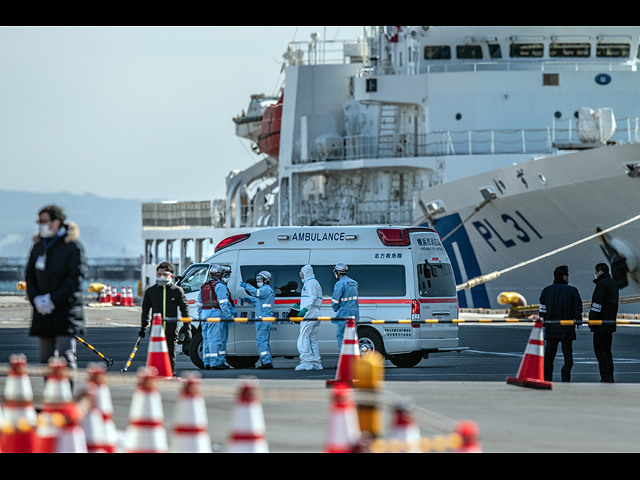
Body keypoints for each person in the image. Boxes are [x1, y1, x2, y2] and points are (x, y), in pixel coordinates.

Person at [25, 205, 87, 389]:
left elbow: (74, 279)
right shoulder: (38, 246)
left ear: (56, 222)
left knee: (66, 355)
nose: (41, 226)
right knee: (46, 360)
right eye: (39, 222)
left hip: (65, 311)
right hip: (43, 312)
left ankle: (67, 395)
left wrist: (53, 300)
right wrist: (36, 299)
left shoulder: (72, 246)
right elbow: (29, 276)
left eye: (44, 221)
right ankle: (50, 396)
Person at [140, 261, 189, 376]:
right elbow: (145, 310)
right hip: (156, 331)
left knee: (171, 354)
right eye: (159, 274)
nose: (161, 277)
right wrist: (143, 326)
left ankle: (170, 374)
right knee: (156, 354)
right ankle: (155, 374)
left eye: (164, 275)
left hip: (171, 329)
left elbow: (184, 310)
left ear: (171, 275)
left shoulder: (177, 291)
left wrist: (187, 327)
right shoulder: (151, 291)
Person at [538, 265, 583, 382]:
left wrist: (542, 325)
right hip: (567, 329)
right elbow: (577, 308)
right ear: (564, 276)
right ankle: (565, 377)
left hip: (551, 328)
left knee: (549, 357)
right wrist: (579, 322)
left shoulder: (546, 291)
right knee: (568, 357)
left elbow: (542, 310)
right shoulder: (573, 291)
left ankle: (547, 378)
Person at [197, 264, 236, 370]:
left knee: (206, 340)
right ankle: (215, 363)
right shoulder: (220, 286)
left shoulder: (204, 286)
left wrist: (201, 317)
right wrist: (229, 316)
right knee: (216, 340)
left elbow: (199, 304)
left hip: (205, 315)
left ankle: (207, 362)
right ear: (220, 274)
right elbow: (223, 304)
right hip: (215, 315)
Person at [589, 263, 619, 383]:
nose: (596, 274)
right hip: (610, 322)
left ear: (600, 272)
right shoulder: (613, 283)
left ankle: (605, 377)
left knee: (599, 350)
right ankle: (610, 375)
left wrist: (592, 320)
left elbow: (597, 305)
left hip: (600, 323)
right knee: (607, 351)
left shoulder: (601, 284)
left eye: (596, 272)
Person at [240, 270, 275, 369]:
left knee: (261, 341)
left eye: (260, 279)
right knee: (264, 341)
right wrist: (249, 300)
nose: (258, 281)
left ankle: (266, 363)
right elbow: (258, 303)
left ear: (265, 280)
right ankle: (267, 362)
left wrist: (247, 286)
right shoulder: (266, 291)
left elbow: (256, 293)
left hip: (263, 320)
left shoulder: (266, 289)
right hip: (264, 320)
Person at [295, 265, 323, 371]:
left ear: (305, 273)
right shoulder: (314, 282)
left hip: (310, 313)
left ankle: (306, 362)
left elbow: (313, 297)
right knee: (312, 339)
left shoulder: (310, 283)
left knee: (304, 337)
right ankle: (316, 362)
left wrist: (305, 308)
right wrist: (300, 304)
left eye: (301, 273)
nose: (301, 275)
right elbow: (312, 297)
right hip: (316, 312)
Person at [331, 263, 359, 350]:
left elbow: (335, 301)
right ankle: (353, 359)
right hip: (355, 314)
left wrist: (335, 308)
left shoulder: (340, 284)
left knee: (341, 336)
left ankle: (345, 359)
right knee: (352, 337)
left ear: (338, 273)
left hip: (344, 313)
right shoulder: (354, 283)